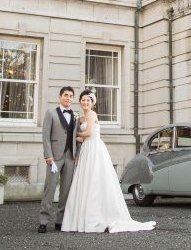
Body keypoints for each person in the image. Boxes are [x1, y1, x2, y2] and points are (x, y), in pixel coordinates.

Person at [61, 89, 156, 233]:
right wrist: (73, 138)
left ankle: (98, 217)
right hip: (86, 149)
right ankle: (83, 217)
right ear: (80, 102)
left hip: (95, 148)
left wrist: (72, 134)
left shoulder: (92, 114)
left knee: (96, 179)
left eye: (88, 100)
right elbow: (82, 138)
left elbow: (89, 133)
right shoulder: (80, 118)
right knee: (85, 180)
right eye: (83, 100)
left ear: (92, 103)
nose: (85, 102)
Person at [38, 86, 80, 233]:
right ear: (60, 97)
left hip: (70, 156)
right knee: (49, 189)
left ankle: (60, 221)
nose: (68, 98)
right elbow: (45, 135)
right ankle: (43, 221)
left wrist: (77, 154)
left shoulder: (76, 116)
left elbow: (77, 137)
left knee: (66, 190)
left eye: (71, 96)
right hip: (54, 157)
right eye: (66, 95)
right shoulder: (50, 113)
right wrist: (47, 154)